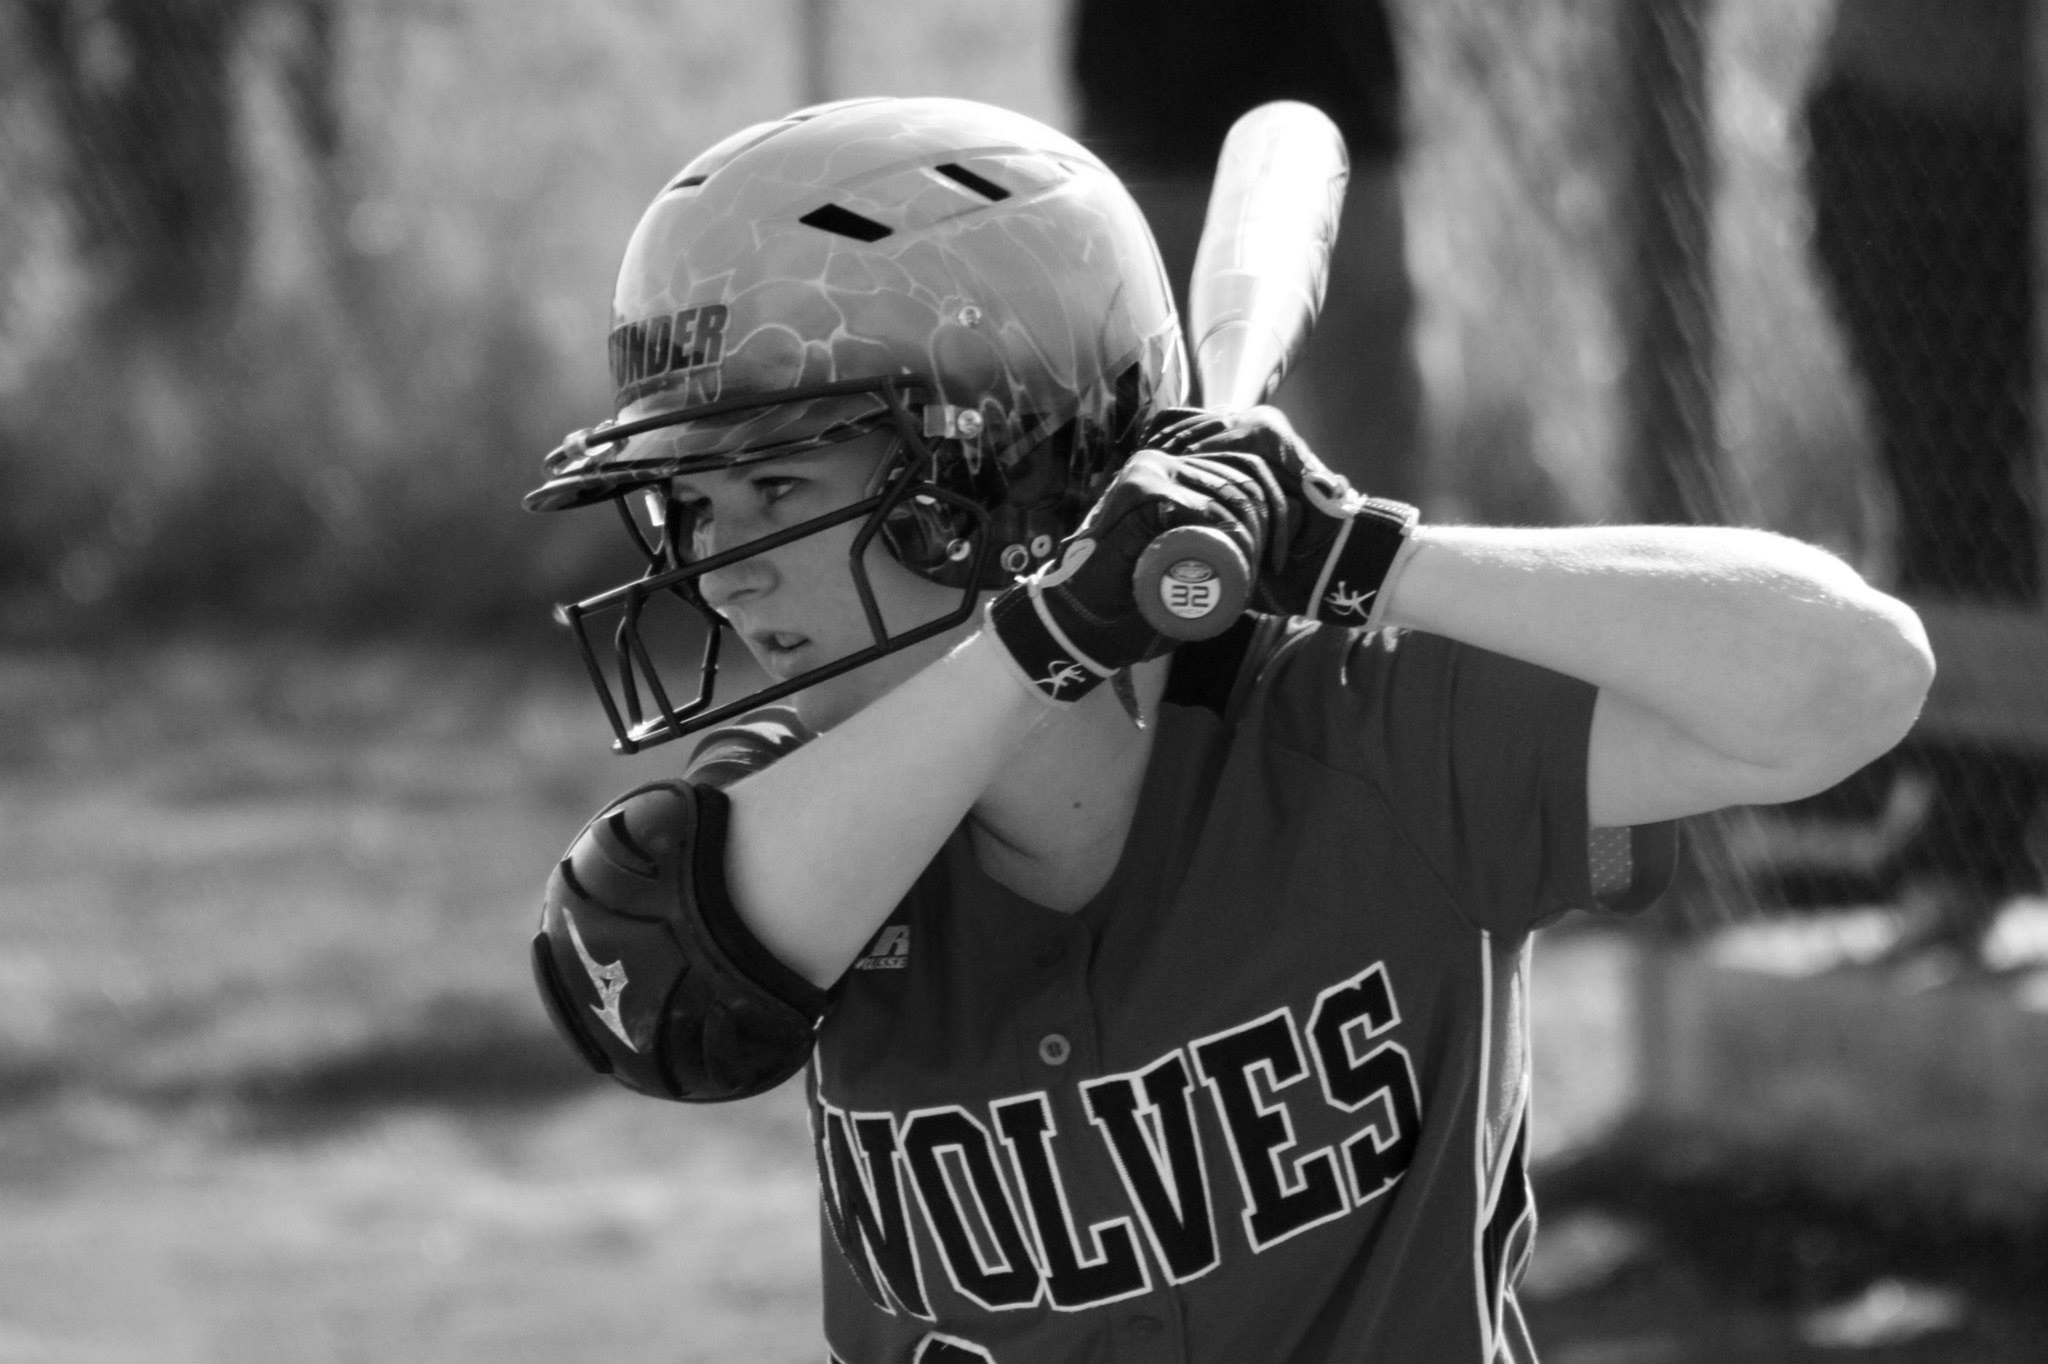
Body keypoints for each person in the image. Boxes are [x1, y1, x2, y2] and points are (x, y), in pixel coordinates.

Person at [523, 97, 1932, 1363]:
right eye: (693, 510)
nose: (720, 574)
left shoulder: (1358, 727)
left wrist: (1362, 551)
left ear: (994, 468)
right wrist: (1046, 639)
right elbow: (657, 994)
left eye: (775, 491)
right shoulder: (810, 796)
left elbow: (1853, 679)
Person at [1797, 0, 2041, 970]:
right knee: (1949, 488)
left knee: (1969, 492)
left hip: (1979, 129)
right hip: (1909, 121)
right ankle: (1961, 833)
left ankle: (1968, 830)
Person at [1067, 0, 1421, 502]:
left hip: (1330, 119)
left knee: (1368, 450)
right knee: (1156, 456)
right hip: (1153, 132)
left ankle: (1368, 552)